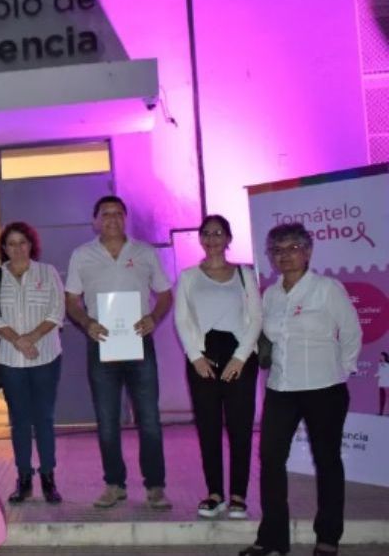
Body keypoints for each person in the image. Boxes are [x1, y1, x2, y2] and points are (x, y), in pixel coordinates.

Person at [240, 223, 362, 556]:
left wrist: (342, 371)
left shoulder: (327, 288)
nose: (285, 256)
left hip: (325, 388)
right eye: (278, 250)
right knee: (270, 460)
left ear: (307, 252)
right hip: (281, 388)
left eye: (293, 248)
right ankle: (273, 538)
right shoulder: (270, 294)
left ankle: (328, 536)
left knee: (327, 461)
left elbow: (351, 333)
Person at [65, 195, 173, 510]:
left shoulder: (145, 252)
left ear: (125, 219)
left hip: (140, 343)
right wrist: (86, 323)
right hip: (101, 345)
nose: (112, 219)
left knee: (149, 419)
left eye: (118, 213)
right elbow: (71, 300)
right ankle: (114, 484)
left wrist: (154, 317)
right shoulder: (82, 255)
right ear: (95, 221)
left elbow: (165, 294)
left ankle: (155, 486)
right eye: (105, 214)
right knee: (107, 419)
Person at [174, 215, 261, 519]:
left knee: (240, 429)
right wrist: (195, 357)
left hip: (240, 358)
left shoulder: (244, 274)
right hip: (203, 361)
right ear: (200, 239)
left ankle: (238, 495)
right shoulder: (187, 277)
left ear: (228, 239)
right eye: (207, 233)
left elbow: (256, 317)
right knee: (208, 429)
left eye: (218, 233)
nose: (212, 239)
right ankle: (214, 493)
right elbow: (182, 319)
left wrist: (240, 357)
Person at [0, 222, 65, 504]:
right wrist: (19, 341)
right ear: (3, 249)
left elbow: (57, 311)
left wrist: (31, 338)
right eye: (11, 244)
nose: (17, 248)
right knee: (19, 422)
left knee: (44, 419)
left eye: (22, 243)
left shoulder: (48, 272)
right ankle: (24, 479)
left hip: (46, 357)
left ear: (31, 245)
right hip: (10, 361)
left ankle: (49, 478)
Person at [377, 351, 389, 416]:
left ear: (385, 356)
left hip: (387, 383)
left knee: (387, 397)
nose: (380, 357)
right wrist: (377, 375)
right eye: (380, 355)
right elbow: (380, 373)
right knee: (381, 398)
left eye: (382, 356)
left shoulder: (387, 365)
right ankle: (381, 412)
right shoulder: (380, 364)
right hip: (381, 383)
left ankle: (387, 412)